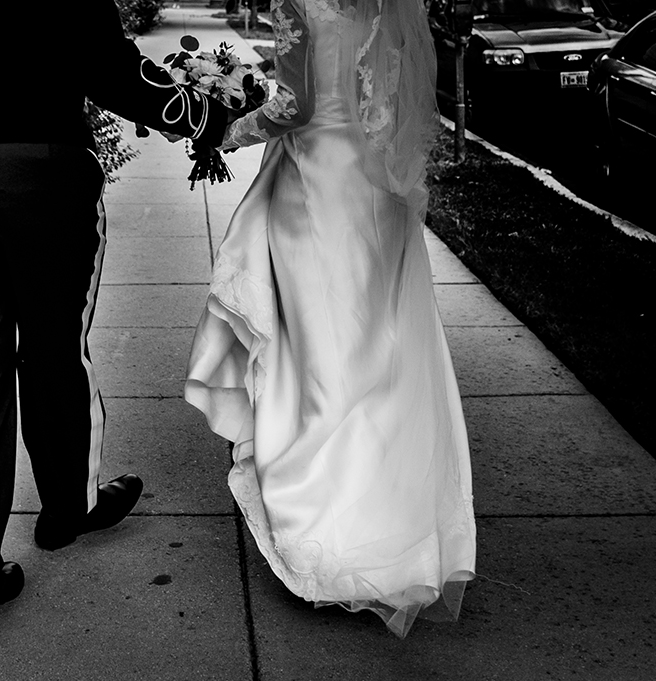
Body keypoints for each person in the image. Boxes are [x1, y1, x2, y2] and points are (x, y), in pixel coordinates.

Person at [0, 2, 229, 633]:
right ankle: (66, 511)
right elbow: (111, 71)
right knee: (54, 346)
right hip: (36, 172)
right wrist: (207, 112)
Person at [185, 0, 477, 638]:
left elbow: (294, 106)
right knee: (378, 359)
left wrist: (226, 128)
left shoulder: (298, 2)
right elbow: (390, 95)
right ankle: (396, 532)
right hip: (375, 188)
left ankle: (331, 536)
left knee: (324, 359)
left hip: (316, 189)